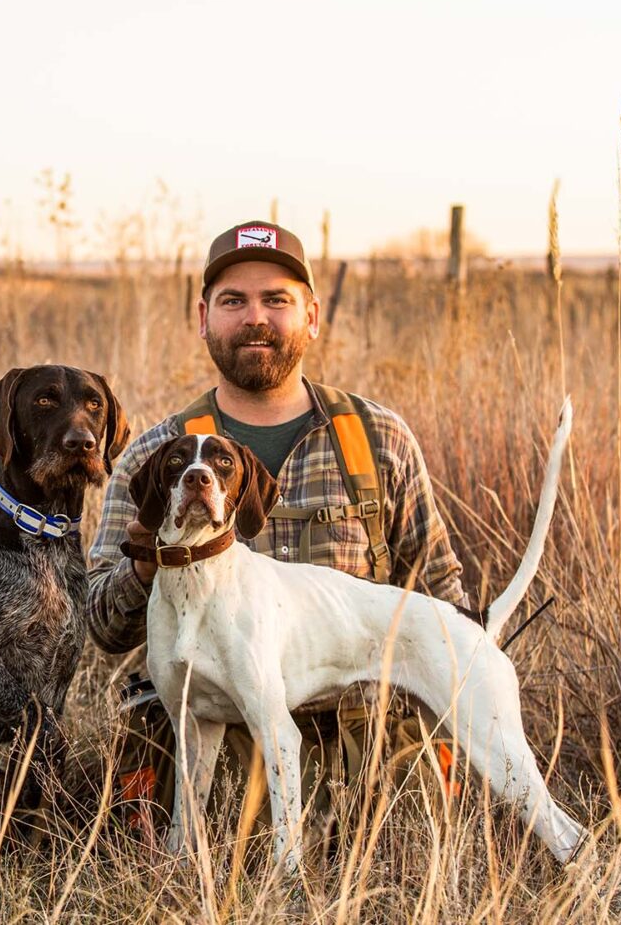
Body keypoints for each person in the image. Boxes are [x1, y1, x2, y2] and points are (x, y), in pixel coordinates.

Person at [86, 219, 470, 847]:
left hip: (355, 730)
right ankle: (194, 850)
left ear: (312, 317)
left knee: (410, 838)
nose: (255, 318)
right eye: (234, 302)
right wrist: (149, 560)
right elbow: (102, 624)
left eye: (277, 300)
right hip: (207, 728)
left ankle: (376, 829)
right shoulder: (156, 458)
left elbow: (439, 593)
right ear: (204, 318)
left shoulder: (379, 440)